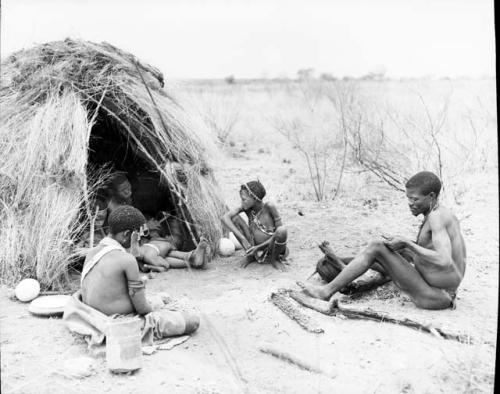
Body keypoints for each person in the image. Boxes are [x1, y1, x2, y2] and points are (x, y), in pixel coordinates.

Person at [299, 171, 466, 310]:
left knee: (376, 247)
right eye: (408, 198)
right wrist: (403, 245)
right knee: (391, 247)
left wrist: (408, 244)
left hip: (436, 296)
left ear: (431, 196)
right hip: (439, 291)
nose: (410, 203)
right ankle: (347, 266)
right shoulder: (441, 213)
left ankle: (325, 292)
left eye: (415, 199)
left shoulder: (437, 218)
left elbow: (444, 260)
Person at [65, 205, 199, 345]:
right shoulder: (127, 260)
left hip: (91, 314)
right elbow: (142, 309)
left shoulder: (92, 252)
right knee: (192, 321)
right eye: (137, 235)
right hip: (116, 320)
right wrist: (156, 309)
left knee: (159, 299)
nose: (139, 239)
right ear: (126, 234)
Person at [222, 180, 288, 270]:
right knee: (234, 219)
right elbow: (225, 218)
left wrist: (258, 247)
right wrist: (243, 239)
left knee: (282, 231)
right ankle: (250, 255)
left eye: (244, 199)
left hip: (271, 247)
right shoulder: (247, 208)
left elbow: (279, 234)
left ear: (254, 198)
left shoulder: (269, 207)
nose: (242, 203)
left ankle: (274, 259)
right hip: (254, 246)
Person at [130, 217, 209, 272]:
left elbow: (164, 266)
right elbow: (165, 266)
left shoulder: (145, 256)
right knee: (170, 255)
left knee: (167, 257)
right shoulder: (145, 254)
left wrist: (151, 267)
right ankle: (194, 258)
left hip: (160, 245)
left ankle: (193, 260)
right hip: (163, 245)